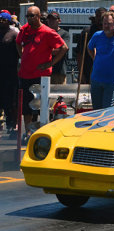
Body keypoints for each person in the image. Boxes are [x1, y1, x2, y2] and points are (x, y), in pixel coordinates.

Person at [16, 6, 68, 140]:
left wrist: (50, 63)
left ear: (39, 17)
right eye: (28, 16)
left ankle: (41, 130)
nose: (29, 18)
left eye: (32, 16)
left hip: (41, 75)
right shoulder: (24, 29)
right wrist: (22, 55)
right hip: (25, 73)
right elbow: (18, 43)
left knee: (41, 105)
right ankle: (28, 131)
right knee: (26, 105)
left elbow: (63, 48)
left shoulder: (47, 32)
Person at [0, 11, 19, 138]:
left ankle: (11, 125)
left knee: (10, 100)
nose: (1, 21)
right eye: (0, 19)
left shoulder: (14, 33)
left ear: (8, 21)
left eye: (3, 19)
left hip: (10, 71)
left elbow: (19, 51)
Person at [77, 7, 106, 84]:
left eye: (101, 16)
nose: (99, 18)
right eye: (97, 16)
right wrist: (81, 73)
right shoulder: (87, 32)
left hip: (106, 71)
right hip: (88, 70)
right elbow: (80, 54)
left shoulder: (111, 32)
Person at [47, 11, 69, 84]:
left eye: (53, 19)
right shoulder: (44, 33)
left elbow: (62, 49)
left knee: (60, 94)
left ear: (59, 21)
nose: (51, 21)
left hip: (59, 72)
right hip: (45, 70)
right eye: (49, 19)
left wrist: (45, 50)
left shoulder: (64, 34)